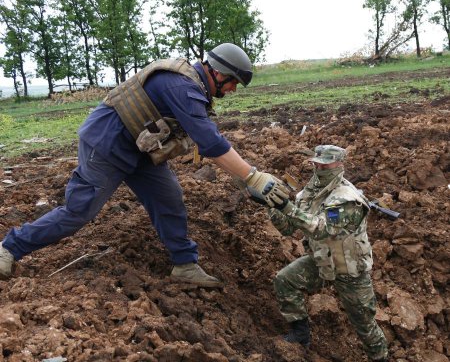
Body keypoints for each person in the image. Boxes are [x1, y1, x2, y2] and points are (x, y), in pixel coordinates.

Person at [0, 43, 289, 287]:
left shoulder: (192, 84)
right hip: (106, 144)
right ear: (218, 73)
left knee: (169, 197)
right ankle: (10, 247)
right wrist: (253, 176)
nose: (233, 90)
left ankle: (184, 265)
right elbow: (211, 144)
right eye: (233, 83)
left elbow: (209, 140)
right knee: (80, 211)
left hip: (140, 150)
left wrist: (243, 176)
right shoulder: (183, 86)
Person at [267, 145, 388, 362]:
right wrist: (272, 207)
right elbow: (288, 227)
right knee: (285, 280)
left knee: (365, 326)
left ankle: (380, 358)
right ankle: (300, 334)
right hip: (321, 260)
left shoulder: (347, 197)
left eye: (326, 163)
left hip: (349, 269)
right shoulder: (309, 192)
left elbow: (324, 231)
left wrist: (287, 207)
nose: (320, 166)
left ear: (340, 164)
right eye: (317, 162)